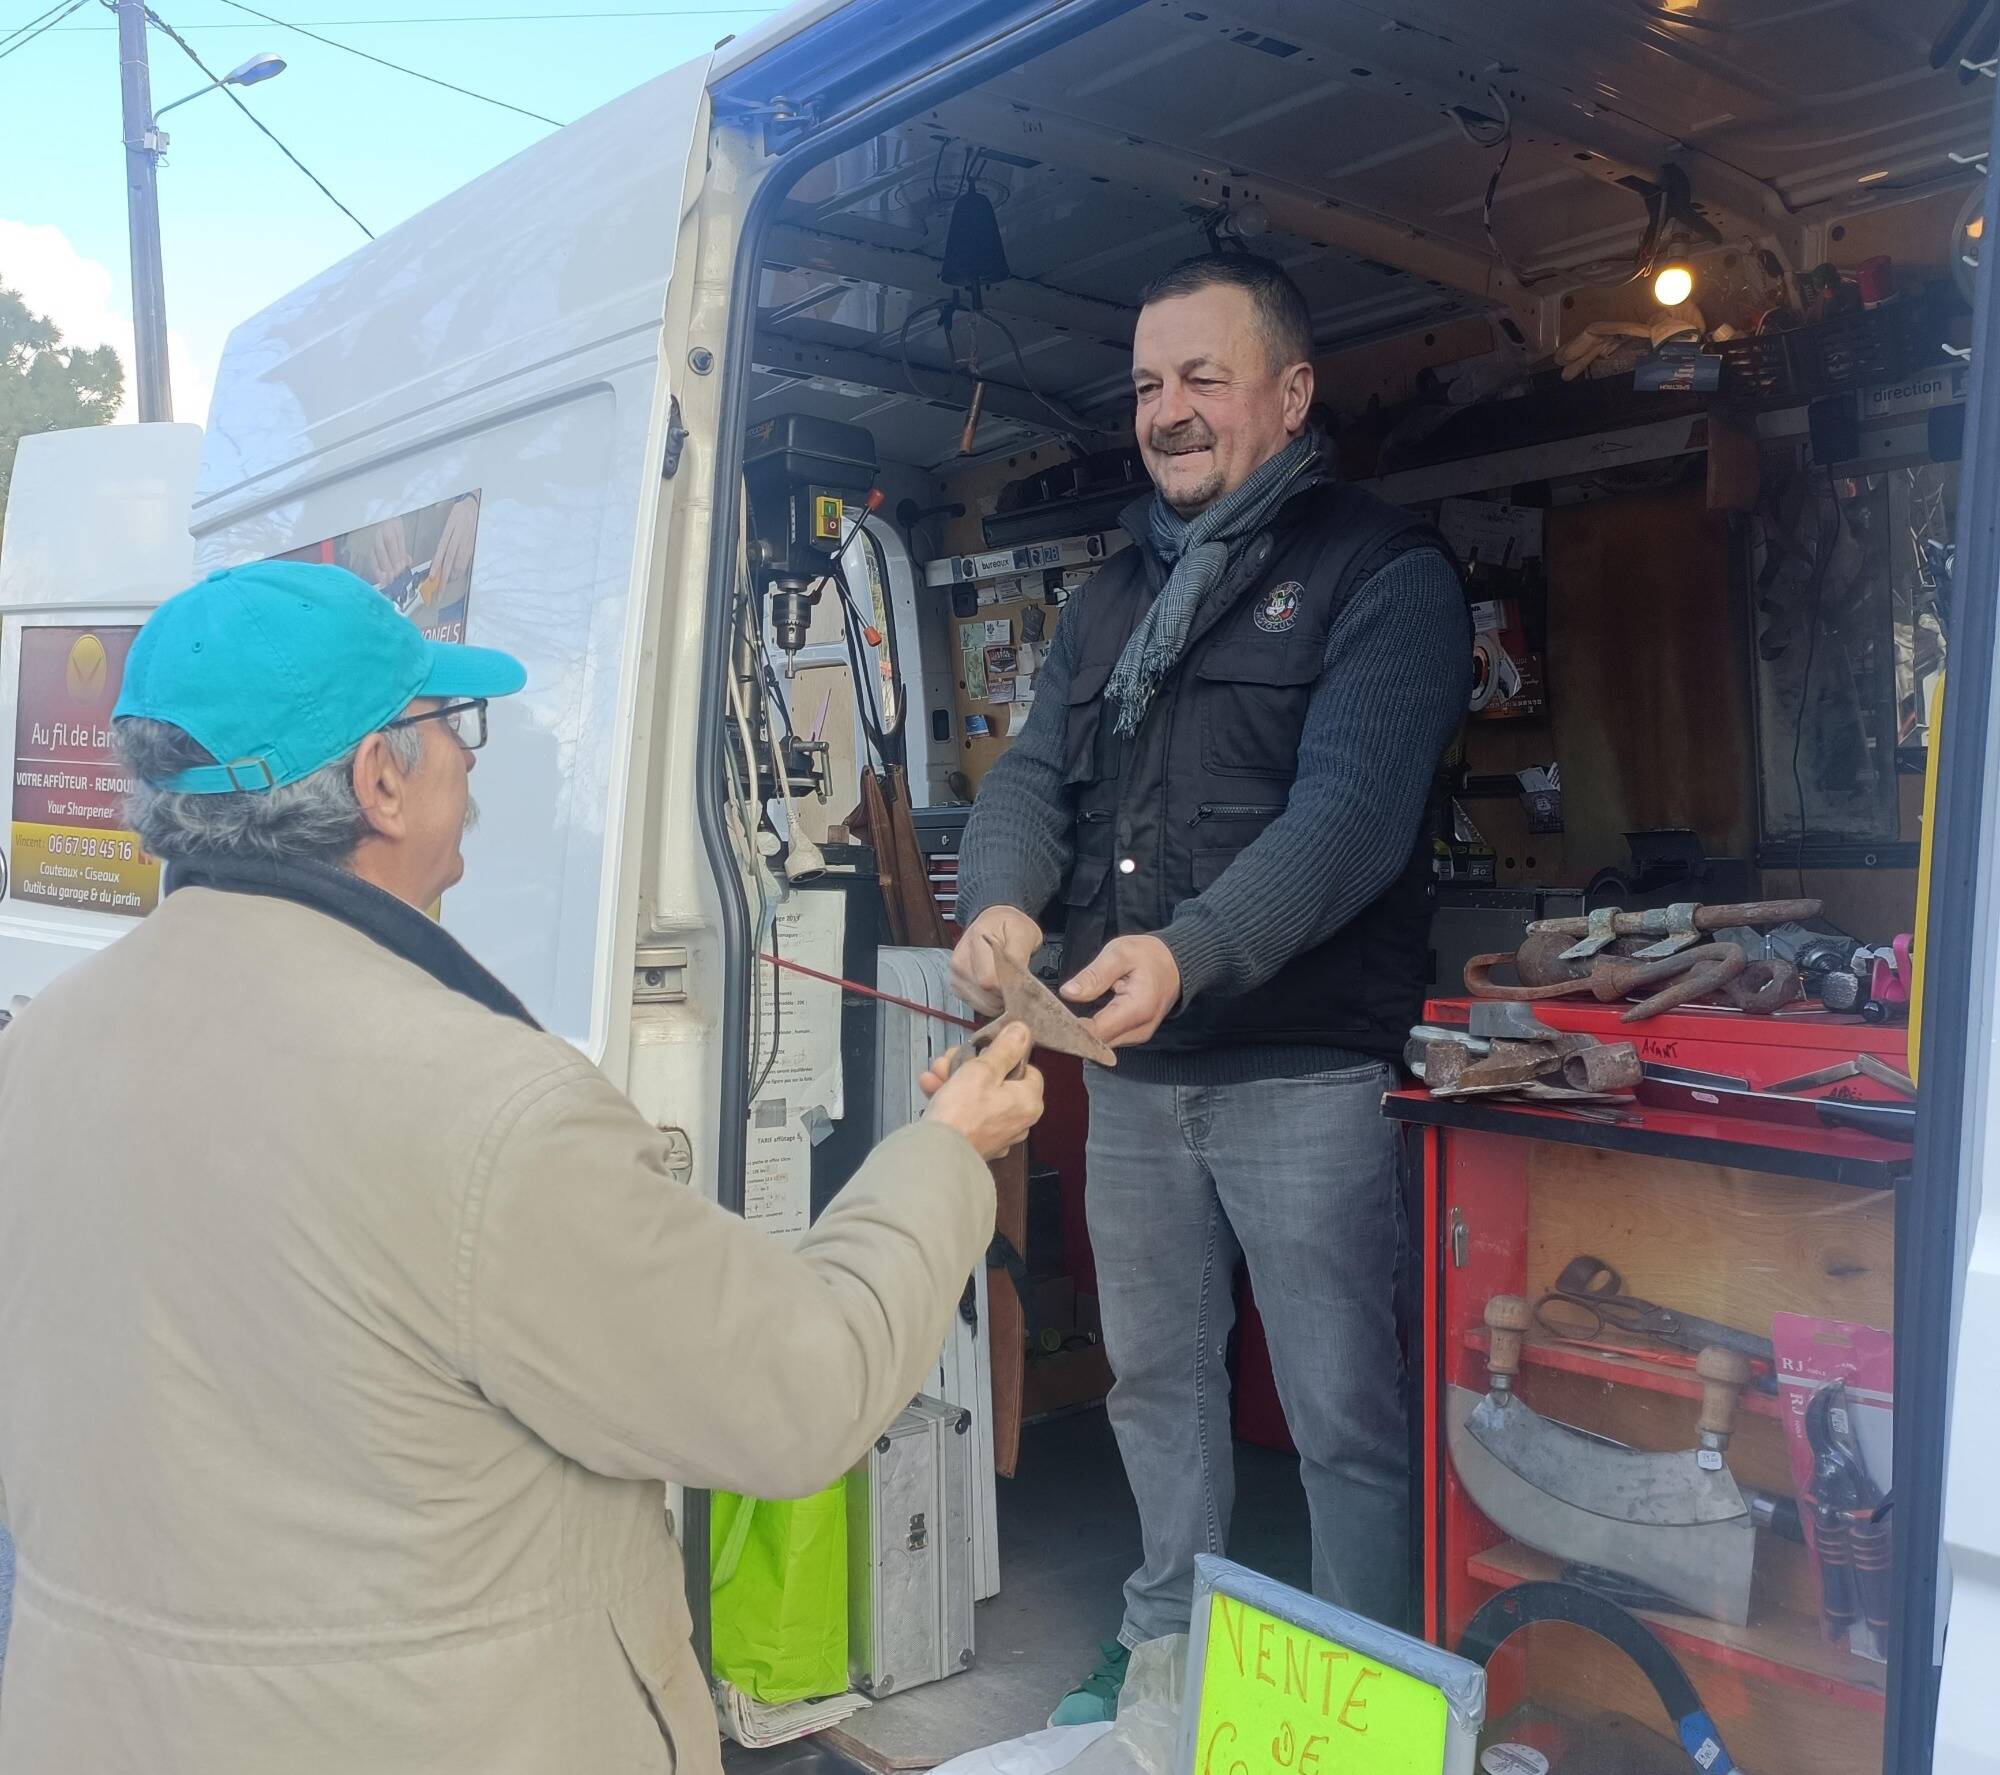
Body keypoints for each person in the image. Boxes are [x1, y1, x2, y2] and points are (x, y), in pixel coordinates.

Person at [0, 561, 1043, 1774]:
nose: (468, 756)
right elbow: (797, 1390)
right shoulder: (486, 1107)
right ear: (379, 780)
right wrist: (946, 1151)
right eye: (451, 723)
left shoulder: (39, 1048)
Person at [951, 254, 1471, 1724]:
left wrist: (1190, 950)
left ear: (1291, 395)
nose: (1166, 410)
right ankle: (1166, 1640)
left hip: (1307, 1072)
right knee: (1154, 1384)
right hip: (1134, 1079)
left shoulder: (1387, 574)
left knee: (1343, 1408)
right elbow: (1032, 779)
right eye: (1145, 385)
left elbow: (1349, 819)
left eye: (1201, 376)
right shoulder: (1111, 594)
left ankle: (1365, 1680)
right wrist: (998, 899)